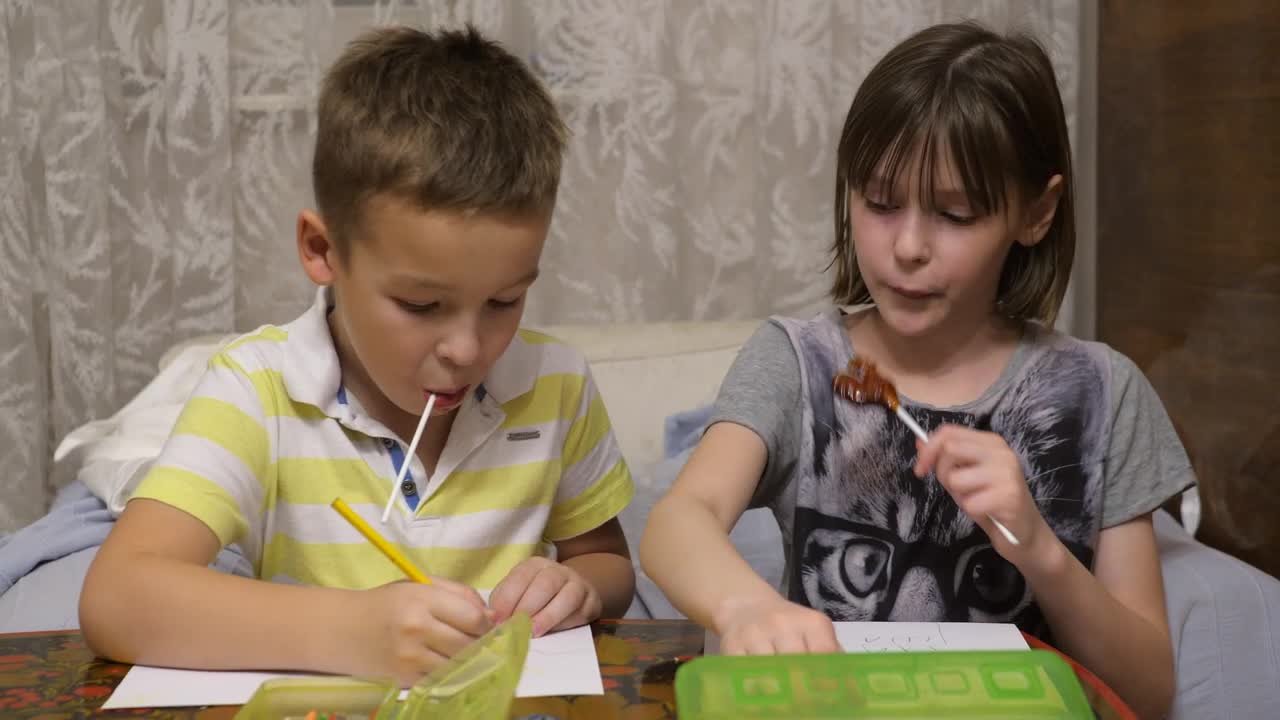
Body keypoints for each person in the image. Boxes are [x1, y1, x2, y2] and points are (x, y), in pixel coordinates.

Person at [640, 21, 1189, 719]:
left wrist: (1041, 551)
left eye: (955, 214)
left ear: (1037, 212)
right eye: (879, 202)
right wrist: (746, 607)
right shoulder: (798, 362)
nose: (907, 247)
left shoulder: (1103, 393)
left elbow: (1148, 691)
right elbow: (678, 521)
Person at [80, 25, 635, 687]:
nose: (466, 350)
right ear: (322, 251)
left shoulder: (558, 384)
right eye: (422, 306)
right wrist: (351, 632)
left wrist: (575, 586)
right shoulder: (257, 388)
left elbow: (608, 564)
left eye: (505, 301)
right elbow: (117, 598)